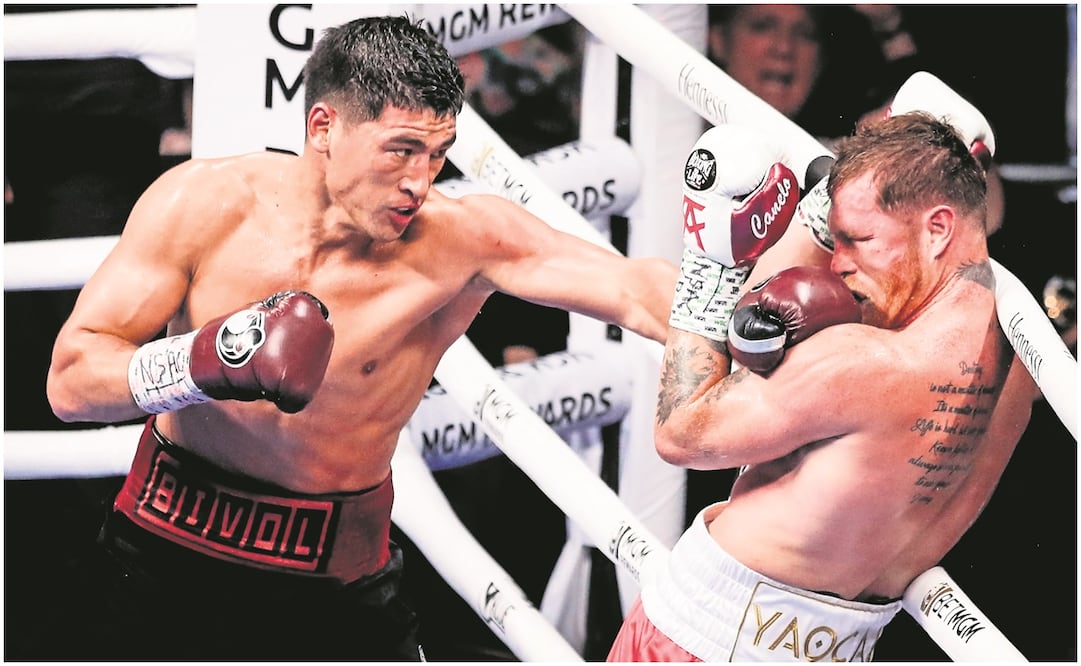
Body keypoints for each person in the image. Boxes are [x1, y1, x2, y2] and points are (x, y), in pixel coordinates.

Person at [43, 15, 677, 661]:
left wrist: (735, 309)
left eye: (437, 153)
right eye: (400, 150)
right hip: (159, 553)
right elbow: (71, 382)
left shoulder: (462, 241)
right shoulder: (202, 205)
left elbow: (633, 289)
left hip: (333, 589)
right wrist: (204, 361)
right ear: (323, 127)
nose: (419, 182)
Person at [605, 112, 1038, 661]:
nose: (838, 264)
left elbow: (680, 435)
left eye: (857, 239)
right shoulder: (1025, 363)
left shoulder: (861, 361)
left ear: (938, 229)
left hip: (701, 641)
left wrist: (709, 264)